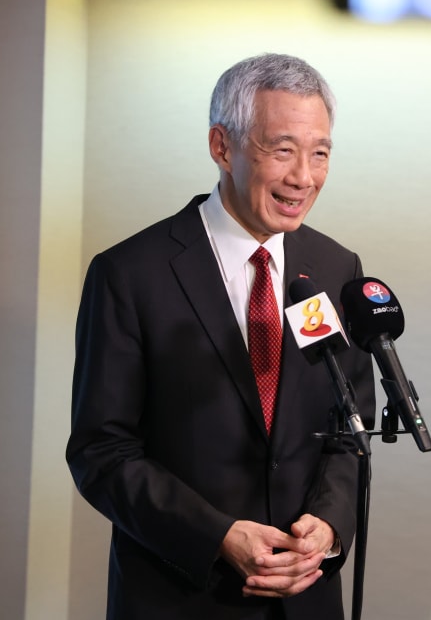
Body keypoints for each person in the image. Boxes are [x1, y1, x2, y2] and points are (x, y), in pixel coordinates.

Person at [66, 53, 375, 620]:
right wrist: (217, 536)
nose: (303, 177)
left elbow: (349, 429)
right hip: (179, 596)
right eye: (281, 149)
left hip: (306, 599)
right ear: (222, 146)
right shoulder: (131, 274)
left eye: (320, 153)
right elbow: (101, 451)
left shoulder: (336, 269)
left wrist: (328, 526)